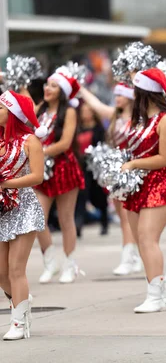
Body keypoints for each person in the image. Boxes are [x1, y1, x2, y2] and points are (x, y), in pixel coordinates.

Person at [125, 68, 166, 313]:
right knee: (142, 241)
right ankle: (160, 286)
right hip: (137, 184)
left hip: (160, 182)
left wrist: (133, 163)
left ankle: (155, 297)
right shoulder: (139, 120)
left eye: (136, 87)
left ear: (144, 91)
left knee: (148, 238)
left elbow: (165, 158)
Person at [78, 83, 142, 276]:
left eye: (120, 96)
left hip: (135, 168)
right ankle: (130, 256)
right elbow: (96, 105)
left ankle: (134, 256)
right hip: (117, 170)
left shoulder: (140, 117)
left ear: (130, 97)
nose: (117, 99)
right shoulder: (115, 115)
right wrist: (80, 88)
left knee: (133, 216)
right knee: (124, 216)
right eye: (116, 96)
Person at [0, 90, 45, 340]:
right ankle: (22, 301)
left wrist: (5, 183)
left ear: (13, 114)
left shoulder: (30, 141)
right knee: (1, 273)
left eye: (1, 108)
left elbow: (37, 176)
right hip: (1, 208)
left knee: (16, 269)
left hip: (23, 207)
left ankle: (18, 323)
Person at [35, 71, 85, 284]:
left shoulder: (70, 112)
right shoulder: (40, 109)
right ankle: (50, 262)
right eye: (47, 84)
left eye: (54, 86)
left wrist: (41, 153)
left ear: (62, 92)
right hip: (41, 170)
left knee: (66, 219)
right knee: (37, 218)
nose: (47, 88)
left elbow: (65, 143)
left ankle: (69, 264)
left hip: (63, 167)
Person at [75, 102, 108, 237]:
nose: (86, 114)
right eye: (84, 111)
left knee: (99, 195)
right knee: (81, 195)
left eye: (88, 111)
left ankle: (104, 222)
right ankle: (78, 224)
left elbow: (102, 145)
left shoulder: (99, 129)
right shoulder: (78, 128)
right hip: (81, 166)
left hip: (95, 166)